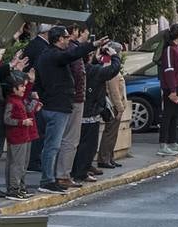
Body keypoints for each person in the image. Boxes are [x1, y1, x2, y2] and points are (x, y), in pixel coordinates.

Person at [36, 25, 105, 193]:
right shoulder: (55, 55)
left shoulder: (47, 55)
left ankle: (50, 178)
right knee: (53, 145)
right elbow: (71, 54)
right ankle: (47, 180)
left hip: (54, 104)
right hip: (57, 106)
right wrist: (92, 45)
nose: (68, 40)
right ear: (59, 39)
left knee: (54, 144)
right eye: (66, 37)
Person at [72, 48, 122, 184]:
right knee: (89, 146)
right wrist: (114, 55)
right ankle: (81, 173)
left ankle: (77, 170)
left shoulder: (78, 70)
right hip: (91, 112)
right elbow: (113, 69)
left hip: (79, 111)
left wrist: (94, 59)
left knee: (78, 144)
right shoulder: (94, 71)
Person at [2, 72, 37, 198]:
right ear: (14, 88)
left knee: (21, 164)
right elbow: (7, 119)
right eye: (21, 86)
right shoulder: (12, 101)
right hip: (17, 137)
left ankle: (20, 187)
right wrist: (22, 122)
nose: (24, 89)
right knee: (17, 164)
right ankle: (13, 189)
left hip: (23, 136)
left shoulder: (18, 100)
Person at [157, 24, 178, 156]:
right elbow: (169, 70)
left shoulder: (177, 48)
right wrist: (172, 90)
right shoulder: (169, 50)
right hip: (171, 88)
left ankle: (172, 142)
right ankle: (163, 144)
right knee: (167, 115)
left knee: (175, 115)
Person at [97, 42, 127, 169]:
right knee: (110, 133)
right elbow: (114, 91)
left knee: (113, 134)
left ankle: (109, 157)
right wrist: (119, 108)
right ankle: (104, 158)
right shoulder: (111, 68)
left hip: (115, 105)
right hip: (113, 106)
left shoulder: (107, 65)